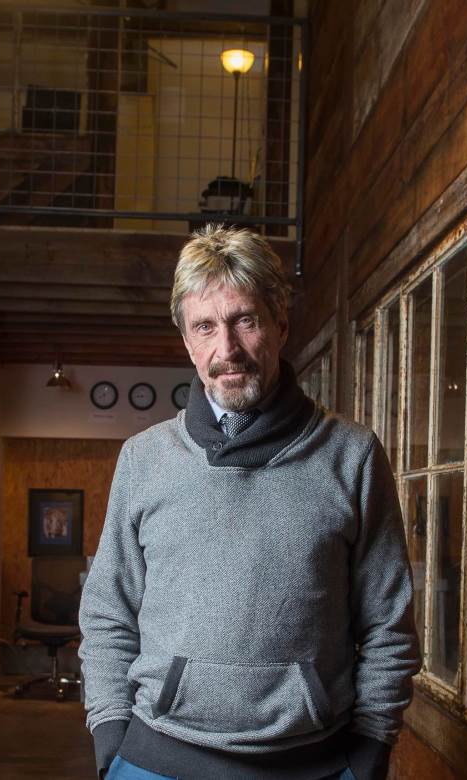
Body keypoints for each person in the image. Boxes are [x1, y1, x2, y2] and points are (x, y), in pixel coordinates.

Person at [78, 225, 420, 780]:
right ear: (187, 342)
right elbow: (107, 614)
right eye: (205, 327)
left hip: (315, 765)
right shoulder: (143, 458)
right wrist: (110, 735)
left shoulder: (352, 455)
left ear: (280, 325)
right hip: (154, 759)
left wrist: (371, 747)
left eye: (245, 320)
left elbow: (389, 623)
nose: (227, 350)